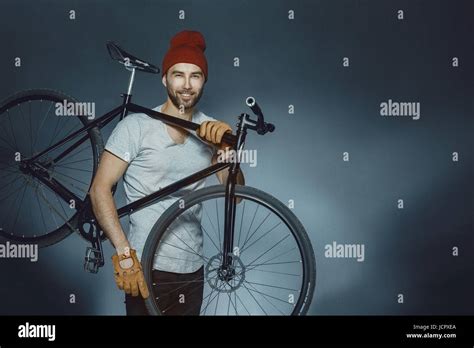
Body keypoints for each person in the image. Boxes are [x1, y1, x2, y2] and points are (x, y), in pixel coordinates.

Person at [89, 30, 245, 315]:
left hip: (192, 269)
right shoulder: (136, 127)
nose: (186, 85)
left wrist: (227, 153)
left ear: (203, 81)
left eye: (195, 75)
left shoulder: (211, 131)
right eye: (178, 74)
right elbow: (100, 190)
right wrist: (124, 255)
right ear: (165, 79)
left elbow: (235, 196)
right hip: (145, 266)